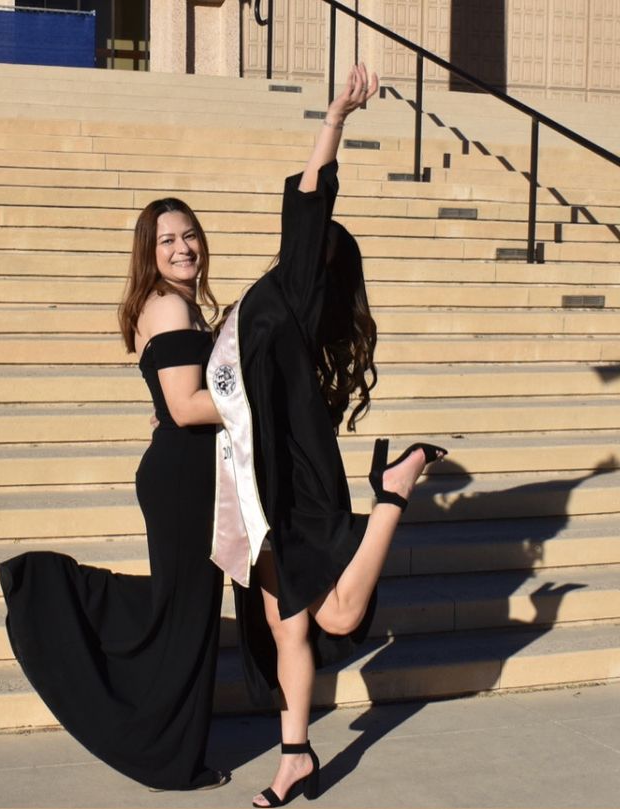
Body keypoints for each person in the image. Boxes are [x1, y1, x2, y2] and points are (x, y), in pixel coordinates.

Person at [205, 64, 447, 806]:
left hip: (296, 481)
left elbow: (311, 194)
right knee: (288, 631)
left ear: (319, 260)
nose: (299, 242)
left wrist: (336, 117)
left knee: (334, 614)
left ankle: (392, 492)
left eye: (312, 246)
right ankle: (295, 756)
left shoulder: (296, 291)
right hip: (259, 483)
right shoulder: (269, 302)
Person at [0, 197, 230, 791]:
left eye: (190, 235)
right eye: (167, 240)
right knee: (183, 613)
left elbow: (169, 404)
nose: (183, 248)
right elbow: (184, 407)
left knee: (185, 610)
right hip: (185, 478)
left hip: (185, 471)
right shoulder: (171, 305)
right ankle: (50, 590)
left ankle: (173, 751)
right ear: (148, 254)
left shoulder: (180, 307)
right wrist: (259, 403)